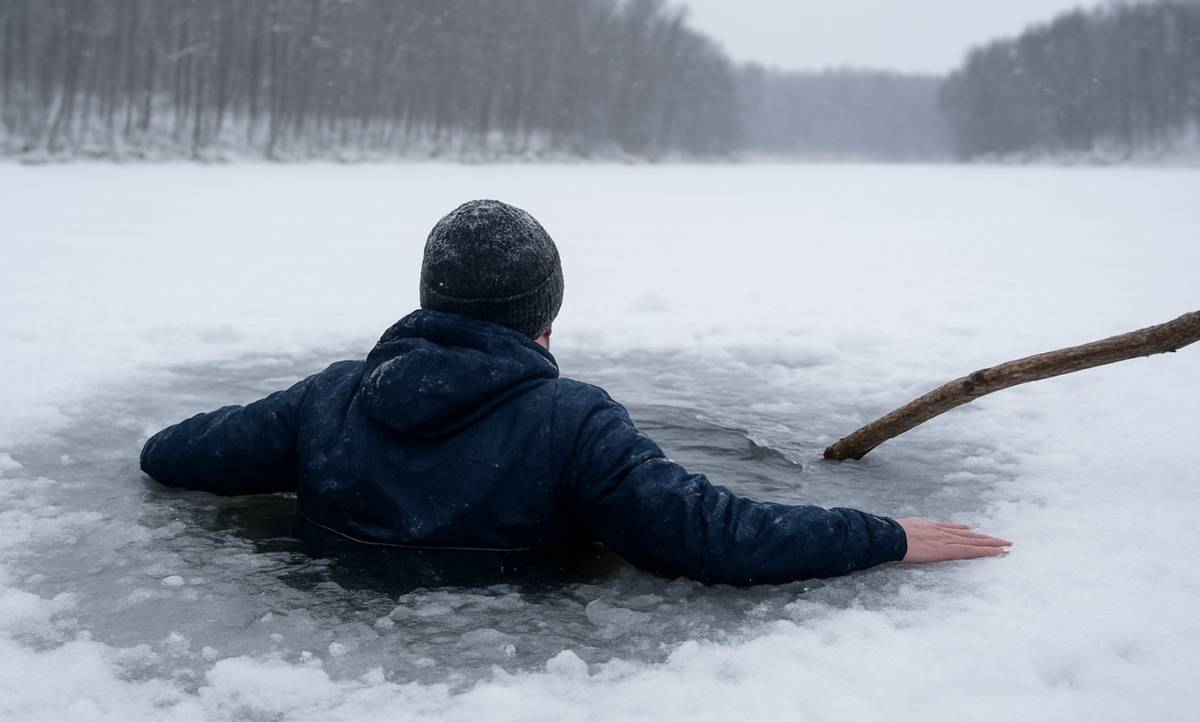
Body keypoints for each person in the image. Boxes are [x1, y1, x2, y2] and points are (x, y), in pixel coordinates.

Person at [140, 200, 1010, 586]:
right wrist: (884, 535)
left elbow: (171, 454)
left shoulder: (327, 399)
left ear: (430, 300)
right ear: (544, 316)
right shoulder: (571, 422)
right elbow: (708, 536)